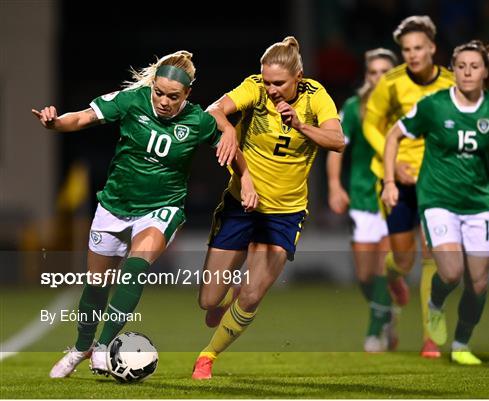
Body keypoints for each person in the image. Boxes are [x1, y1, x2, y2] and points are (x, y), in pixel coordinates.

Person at [33, 50, 258, 378]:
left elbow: (232, 151)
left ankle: (102, 346)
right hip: (115, 204)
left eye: (173, 96)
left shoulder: (197, 121)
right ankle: (82, 345)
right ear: (151, 86)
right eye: (159, 92)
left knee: (135, 270)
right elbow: (82, 117)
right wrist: (55, 123)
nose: (164, 101)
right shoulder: (130, 100)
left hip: (161, 208)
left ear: (188, 95)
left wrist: (246, 176)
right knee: (96, 285)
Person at [191, 36, 345, 380]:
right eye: (268, 80)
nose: (272, 89)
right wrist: (228, 130)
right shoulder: (254, 88)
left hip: (285, 213)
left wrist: (302, 126)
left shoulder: (316, 97)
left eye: (280, 83)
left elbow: (337, 140)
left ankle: (207, 356)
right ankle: (224, 297)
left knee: (251, 294)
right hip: (240, 203)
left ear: (299, 78)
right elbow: (212, 111)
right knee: (208, 301)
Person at [381, 40, 489, 365]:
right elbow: (394, 135)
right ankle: (435, 305)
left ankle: (462, 343)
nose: (466, 72)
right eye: (460, 66)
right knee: (450, 273)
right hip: (437, 199)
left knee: (478, 283)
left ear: (486, 72)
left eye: (474, 66)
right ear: (454, 68)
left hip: (478, 203)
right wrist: (390, 181)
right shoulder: (434, 105)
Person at [363, 15, 455, 358]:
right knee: (403, 257)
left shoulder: (450, 83)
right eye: (406, 49)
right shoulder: (391, 83)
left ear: (432, 48)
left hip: (436, 180)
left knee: (432, 254)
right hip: (395, 177)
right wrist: (394, 165)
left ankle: (431, 336)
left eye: (418, 48)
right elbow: (373, 125)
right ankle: (393, 273)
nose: (413, 55)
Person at [326, 48, 398, 352]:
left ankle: (374, 332)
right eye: (373, 72)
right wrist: (334, 185)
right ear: (366, 76)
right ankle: (386, 311)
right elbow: (335, 145)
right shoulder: (355, 108)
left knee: (382, 265)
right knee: (364, 274)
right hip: (362, 197)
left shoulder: (407, 108)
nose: (378, 77)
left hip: (396, 197)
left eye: (385, 72)